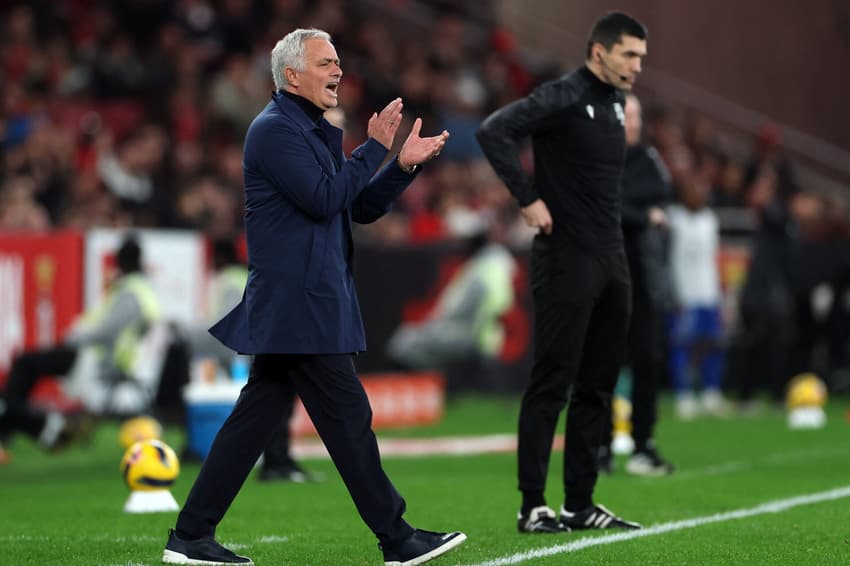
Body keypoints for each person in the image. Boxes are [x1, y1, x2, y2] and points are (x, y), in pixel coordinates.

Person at [161, 28, 465, 566]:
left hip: (303, 302)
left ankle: (190, 536)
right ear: (292, 75)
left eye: (338, 62)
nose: (338, 71)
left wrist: (400, 165)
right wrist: (372, 146)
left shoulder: (307, 130)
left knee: (254, 420)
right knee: (348, 418)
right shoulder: (274, 131)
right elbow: (326, 198)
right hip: (299, 304)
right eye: (326, 63)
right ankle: (397, 539)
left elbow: (357, 207)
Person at [476, 12, 647, 534]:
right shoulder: (564, 95)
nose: (638, 66)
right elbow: (494, 131)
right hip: (566, 258)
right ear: (599, 53)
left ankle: (580, 503)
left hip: (610, 259)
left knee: (598, 386)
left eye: (641, 56)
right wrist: (528, 199)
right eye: (629, 55)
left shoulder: (617, 103)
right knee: (552, 383)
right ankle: (533, 506)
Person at [0, 235, 160, 452]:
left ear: (119, 261)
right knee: (24, 370)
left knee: (24, 363)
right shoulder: (143, 292)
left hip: (96, 360)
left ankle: (36, 428)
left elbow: (106, 333)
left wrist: (74, 337)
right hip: (99, 358)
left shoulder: (131, 293)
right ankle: (32, 429)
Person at [599, 92, 675, 476]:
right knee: (602, 365)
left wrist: (632, 208)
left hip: (643, 281)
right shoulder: (600, 159)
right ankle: (601, 445)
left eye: (637, 116)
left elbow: (661, 191)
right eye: (627, 115)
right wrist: (643, 214)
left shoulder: (648, 159)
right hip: (606, 278)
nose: (633, 122)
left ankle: (644, 444)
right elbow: (608, 202)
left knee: (648, 361)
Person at [386, 223, 517, 390]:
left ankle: (412, 393)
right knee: (411, 340)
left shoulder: (485, 270)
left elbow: (470, 310)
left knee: (404, 342)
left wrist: (437, 321)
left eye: (466, 240)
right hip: (481, 336)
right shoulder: (490, 266)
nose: (462, 245)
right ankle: (428, 391)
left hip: (471, 337)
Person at [666, 174, 727, 419]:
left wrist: (719, 292)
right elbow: (669, 259)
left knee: (713, 344)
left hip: (708, 293)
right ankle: (684, 395)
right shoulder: (673, 219)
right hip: (684, 294)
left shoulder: (710, 220)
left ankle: (712, 393)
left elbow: (714, 258)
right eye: (694, 189)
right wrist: (674, 293)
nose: (700, 194)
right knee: (682, 345)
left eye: (703, 190)